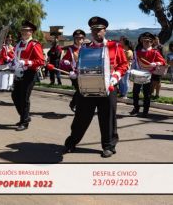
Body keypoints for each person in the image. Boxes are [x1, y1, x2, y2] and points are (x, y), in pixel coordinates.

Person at [64, 16, 128, 158]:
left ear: (105, 31)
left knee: (108, 118)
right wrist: (75, 73)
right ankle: (71, 142)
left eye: (99, 30)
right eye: (94, 30)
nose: (96, 33)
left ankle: (109, 146)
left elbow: (123, 65)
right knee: (81, 117)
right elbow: (80, 66)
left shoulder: (115, 46)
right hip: (88, 87)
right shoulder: (85, 48)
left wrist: (115, 77)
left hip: (109, 87)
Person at [11, 20, 45, 131]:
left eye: (27, 31)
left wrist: (27, 62)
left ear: (32, 32)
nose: (24, 32)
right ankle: (25, 116)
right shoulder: (18, 44)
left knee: (24, 98)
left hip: (30, 73)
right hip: (18, 73)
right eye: (23, 30)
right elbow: (14, 57)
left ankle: (24, 121)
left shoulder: (35, 44)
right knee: (15, 96)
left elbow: (40, 61)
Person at [129, 32, 167, 118]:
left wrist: (155, 63)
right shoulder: (137, 52)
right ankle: (136, 107)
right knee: (135, 92)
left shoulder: (155, 52)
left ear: (151, 42)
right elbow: (134, 62)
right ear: (142, 42)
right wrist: (131, 69)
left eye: (148, 41)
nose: (146, 43)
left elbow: (163, 62)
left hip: (149, 75)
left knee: (147, 94)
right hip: (138, 74)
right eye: (144, 41)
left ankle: (145, 111)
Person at [59, 29, 86, 112]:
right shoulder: (70, 49)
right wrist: (67, 65)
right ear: (74, 39)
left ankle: (74, 103)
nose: (79, 40)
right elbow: (62, 62)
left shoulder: (86, 48)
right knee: (79, 90)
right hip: (73, 73)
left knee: (82, 90)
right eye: (77, 38)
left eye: (81, 38)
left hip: (84, 73)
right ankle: (76, 105)